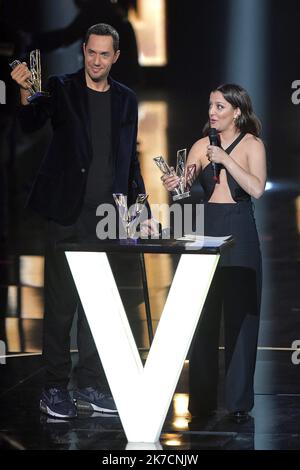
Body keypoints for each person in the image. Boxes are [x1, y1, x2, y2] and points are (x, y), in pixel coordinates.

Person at [11, 23, 154, 419]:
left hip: (107, 216)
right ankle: (54, 388)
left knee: (99, 304)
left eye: (104, 54)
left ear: (116, 57)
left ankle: (91, 383)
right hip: (66, 213)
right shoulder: (61, 87)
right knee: (61, 306)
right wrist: (25, 90)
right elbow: (30, 122)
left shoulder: (126, 100)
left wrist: (141, 209)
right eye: (91, 52)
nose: (96, 60)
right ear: (84, 51)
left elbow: (131, 158)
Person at [162, 84, 266, 423]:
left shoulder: (252, 145)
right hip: (204, 229)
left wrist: (225, 159)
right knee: (204, 319)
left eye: (220, 106)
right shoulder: (198, 146)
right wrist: (174, 185)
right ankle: (202, 400)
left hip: (239, 230)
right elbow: (183, 192)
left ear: (237, 111)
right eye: (210, 105)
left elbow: (256, 188)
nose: (212, 111)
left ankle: (238, 402)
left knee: (241, 320)